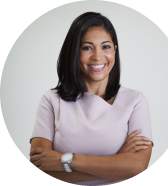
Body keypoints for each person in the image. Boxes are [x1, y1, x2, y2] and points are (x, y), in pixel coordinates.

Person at [29, 12, 154, 185]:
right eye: (87, 47)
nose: (97, 56)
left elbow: (137, 166)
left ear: (114, 50)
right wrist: (116, 161)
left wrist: (66, 160)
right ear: (74, 52)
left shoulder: (135, 101)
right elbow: (40, 166)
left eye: (105, 47)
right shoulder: (51, 100)